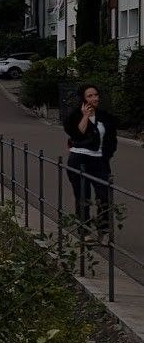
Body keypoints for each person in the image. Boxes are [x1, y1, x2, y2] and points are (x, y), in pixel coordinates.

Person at [62, 82, 119, 233]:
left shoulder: (104, 117)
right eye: (90, 96)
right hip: (78, 159)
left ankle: (103, 228)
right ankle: (84, 230)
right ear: (83, 99)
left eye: (96, 95)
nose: (95, 98)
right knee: (83, 196)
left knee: (104, 195)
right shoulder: (74, 115)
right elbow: (76, 134)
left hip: (99, 160)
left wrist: (106, 156)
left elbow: (112, 140)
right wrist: (86, 116)